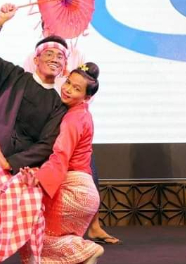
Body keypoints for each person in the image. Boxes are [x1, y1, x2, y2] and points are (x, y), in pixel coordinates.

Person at [0, 3, 69, 264]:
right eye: (49, 53)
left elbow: (46, 144)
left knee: (28, 221)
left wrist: (11, 163)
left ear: (64, 66)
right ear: (36, 59)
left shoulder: (58, 104)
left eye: (60, 57)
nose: (55, 59)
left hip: (22, 170)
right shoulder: (12, 76)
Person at [0, 62, 105, 264]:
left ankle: (89, 250)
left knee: (37, 239)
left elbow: (61, 155)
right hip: (84, 192)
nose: (67, 89)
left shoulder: (73, 119)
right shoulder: (82, 114)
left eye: (76, 89)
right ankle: (85, 254)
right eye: (68, 82)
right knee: (49, 245)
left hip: (73, 191)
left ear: (87, 97)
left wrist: (39, 177)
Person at [23, 24, 120, 245]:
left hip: (70, 116)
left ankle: (92, 227)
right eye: (48, 26)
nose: (54, 31)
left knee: (80, 161)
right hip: (46, 118)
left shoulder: (77, 55)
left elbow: (87, 87)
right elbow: (28, 87)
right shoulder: (35, 56)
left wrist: (74, 101)